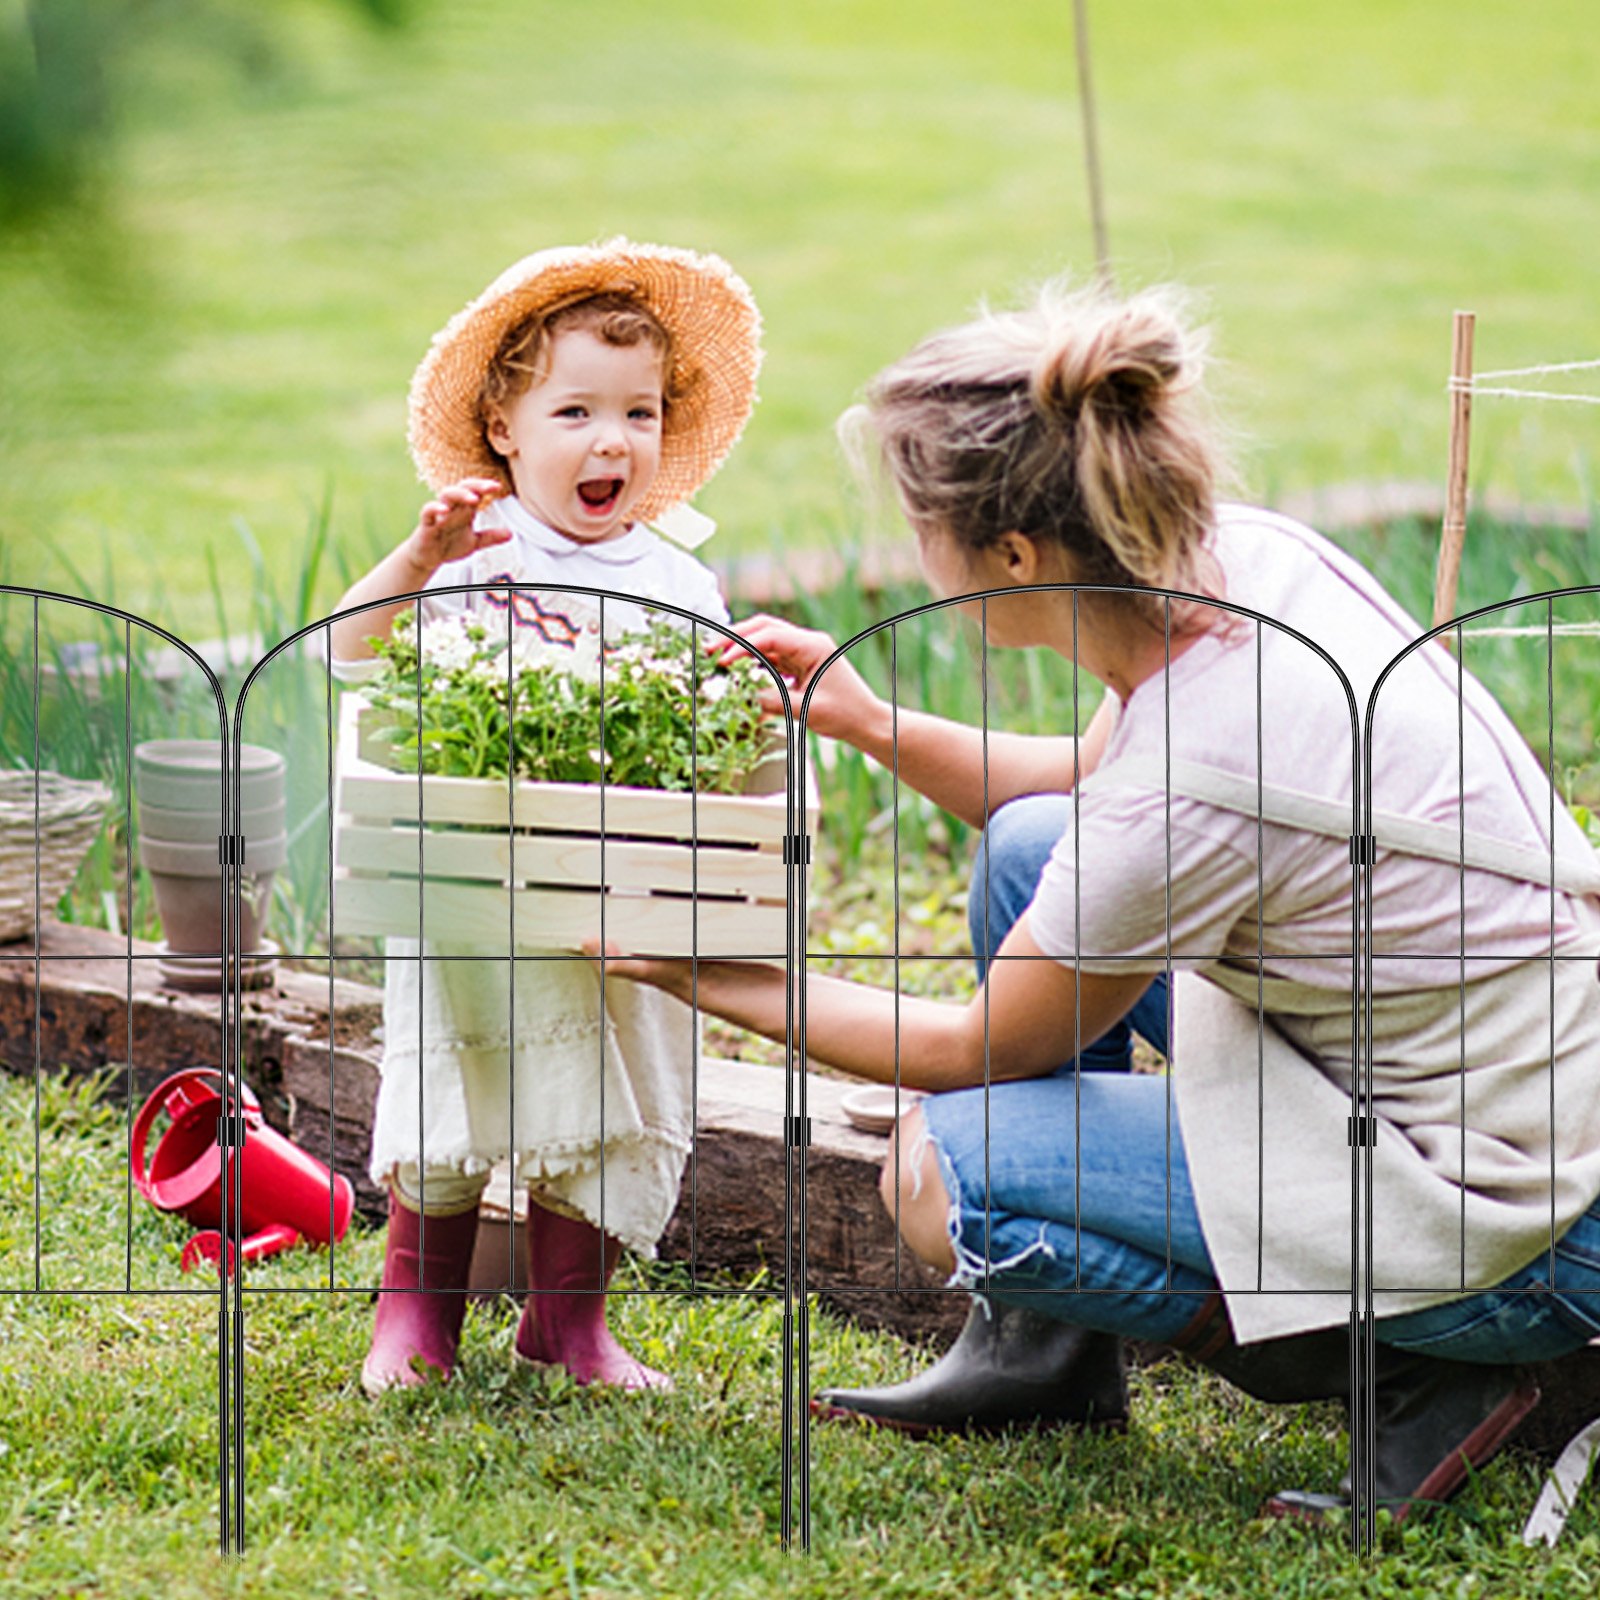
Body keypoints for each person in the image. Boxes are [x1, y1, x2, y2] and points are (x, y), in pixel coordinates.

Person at [602, 278, 1600, 1520]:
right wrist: (858, 717)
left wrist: (708, 975)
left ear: (1011, 555)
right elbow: (1084, 790)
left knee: (947, 1171)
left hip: (1520, 1218)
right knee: (1033, 845)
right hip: (1509, 1080)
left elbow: (975, 1048)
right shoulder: (1236, 562)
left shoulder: (1193, 776)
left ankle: (1406, 1356)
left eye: (919, 521)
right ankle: (1044, 1359)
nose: (910, 547)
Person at [328, 239, 761, 1395]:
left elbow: (718, 710)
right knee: (454, 1074)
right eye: (573, 409)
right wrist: (418, 557)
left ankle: (570, 1325)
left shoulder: (675, 578)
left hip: (617, 888)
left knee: (611, 1092)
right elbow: (349, 655)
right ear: (505, 427)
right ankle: (416, 1314)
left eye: (639, 411)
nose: (611, 439)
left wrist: (742, 693)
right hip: (469, 885)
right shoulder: (474, 554)